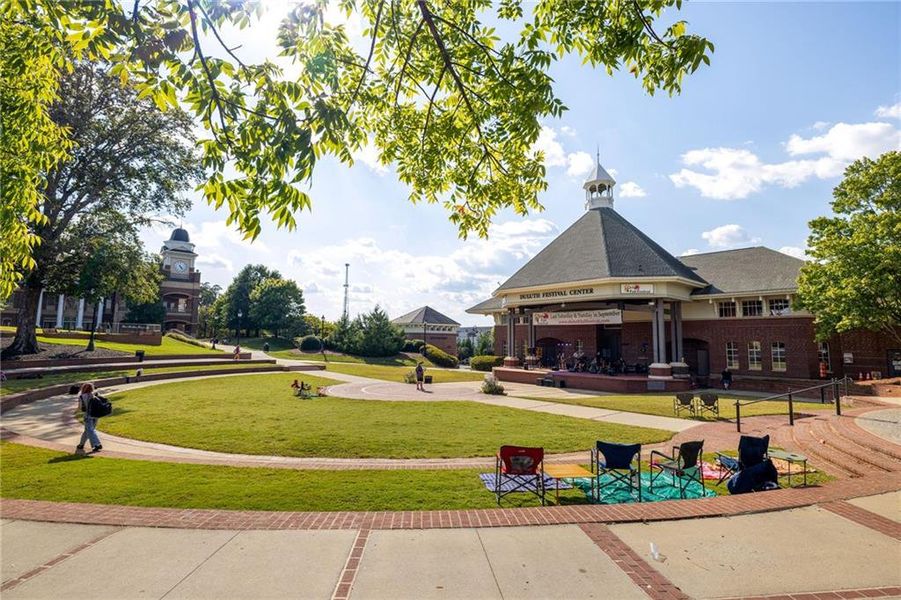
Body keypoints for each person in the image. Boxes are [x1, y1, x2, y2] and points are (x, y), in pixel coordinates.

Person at [76, 383, 102, 453]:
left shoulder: (82, 396)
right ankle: (81, 445)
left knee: (90, 430)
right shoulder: (95, 394)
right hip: (96, 416)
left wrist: (76, 411)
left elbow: (80, 408)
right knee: (88, 430)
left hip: (88, 416)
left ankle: (97, 444)